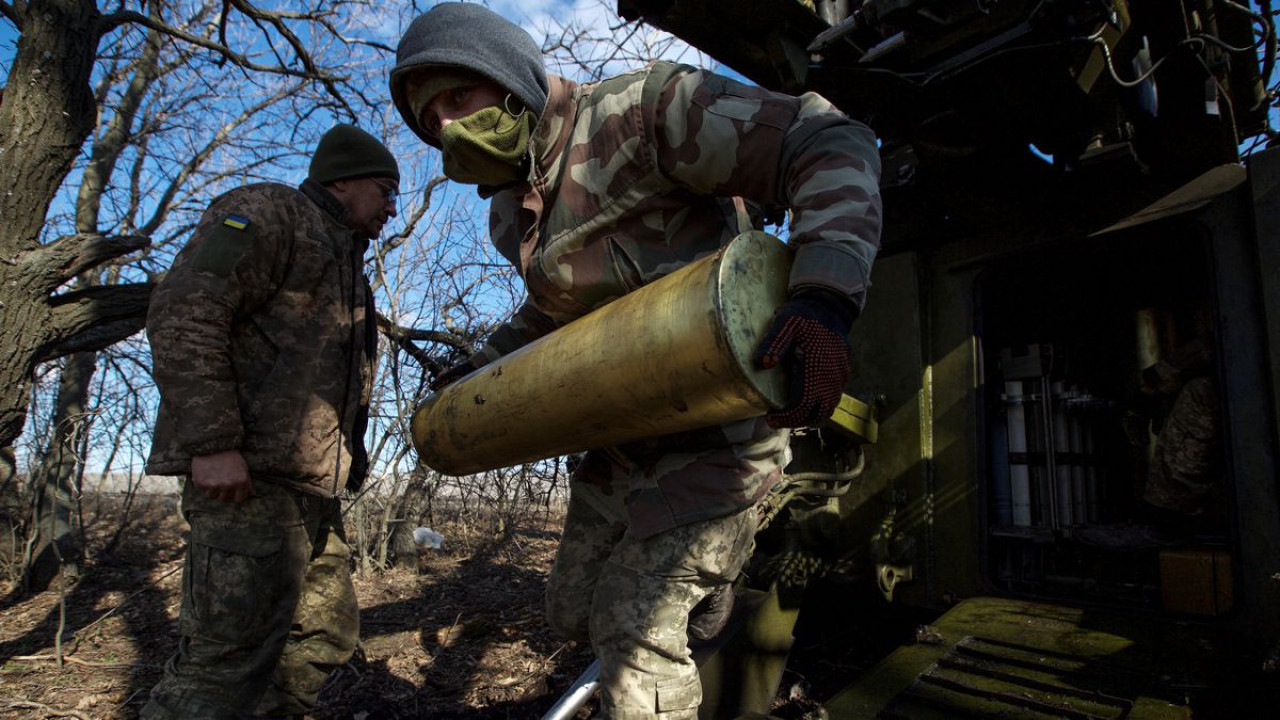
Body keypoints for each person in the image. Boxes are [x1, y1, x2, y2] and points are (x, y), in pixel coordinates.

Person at [390, 3, 882, 717]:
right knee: (571, 611)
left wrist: (825, 298)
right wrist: (482, 366)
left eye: (457, 99)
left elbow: (829, 141)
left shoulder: (639, 111)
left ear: (507, 78)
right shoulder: (511, 213)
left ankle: (685, 618)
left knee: (634, 631)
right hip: (622, 439)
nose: (447, 127)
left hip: (723, 430)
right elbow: (557, 315)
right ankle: (710, 596)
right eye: (430, 119)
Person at [141, 124, 399, 720]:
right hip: (248, 483)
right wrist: (212, 443)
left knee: (322, 638)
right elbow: (185, 309)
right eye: (384, 191)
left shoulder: (346, 262)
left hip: (309, 493)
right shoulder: (268, 213)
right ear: (342, 180)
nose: (391, 208)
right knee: (225, 664)